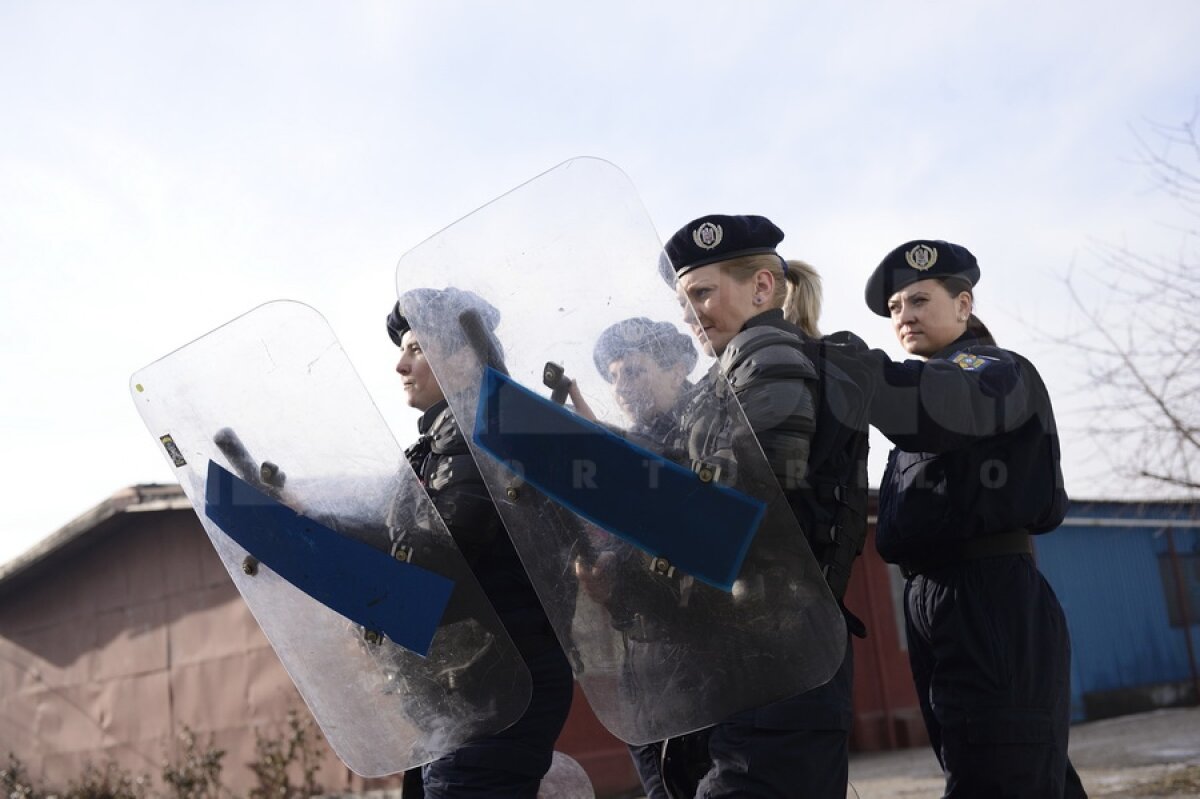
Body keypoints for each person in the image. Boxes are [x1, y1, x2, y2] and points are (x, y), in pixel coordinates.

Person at [641, 214, 863, 799]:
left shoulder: (769, 361)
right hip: (753, 652)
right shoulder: (730, 375)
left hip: (778, 649)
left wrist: (645, 497)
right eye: (683, 302)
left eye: (702, 294)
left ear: (763, 287)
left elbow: (756, 493)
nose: (690, 315)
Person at [862, 240, 1087, 798]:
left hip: (985, 593)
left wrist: (844, 365)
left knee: (999, 773)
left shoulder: (989, 370)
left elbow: (937, 407)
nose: (904, 316)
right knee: (1006, 768)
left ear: (964, 305)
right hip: (934, 596)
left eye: (919, 300)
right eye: (894, 308)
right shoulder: (930, 384)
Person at [385, 291, 574, 799]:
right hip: (468, 687)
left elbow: (447, 551)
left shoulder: (481, 434)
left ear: (465, 356)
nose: (401, 366)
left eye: (417, 349)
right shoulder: (438, 444)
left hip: (497, 686)